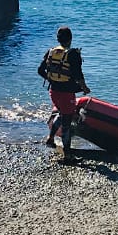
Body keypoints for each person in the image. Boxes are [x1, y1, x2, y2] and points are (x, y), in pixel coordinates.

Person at [38, 26, 90, 163]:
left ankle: (50, 139)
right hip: (67, 94)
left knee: (62, 114)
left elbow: (40, 70)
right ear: (70, 39)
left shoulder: (50, 52)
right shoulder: (72, 54)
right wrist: (85, 88)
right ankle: (68, 155)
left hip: (53, 91)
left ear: (58, 39)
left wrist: (51, 79)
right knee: (67, 123)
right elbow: (78, 75)